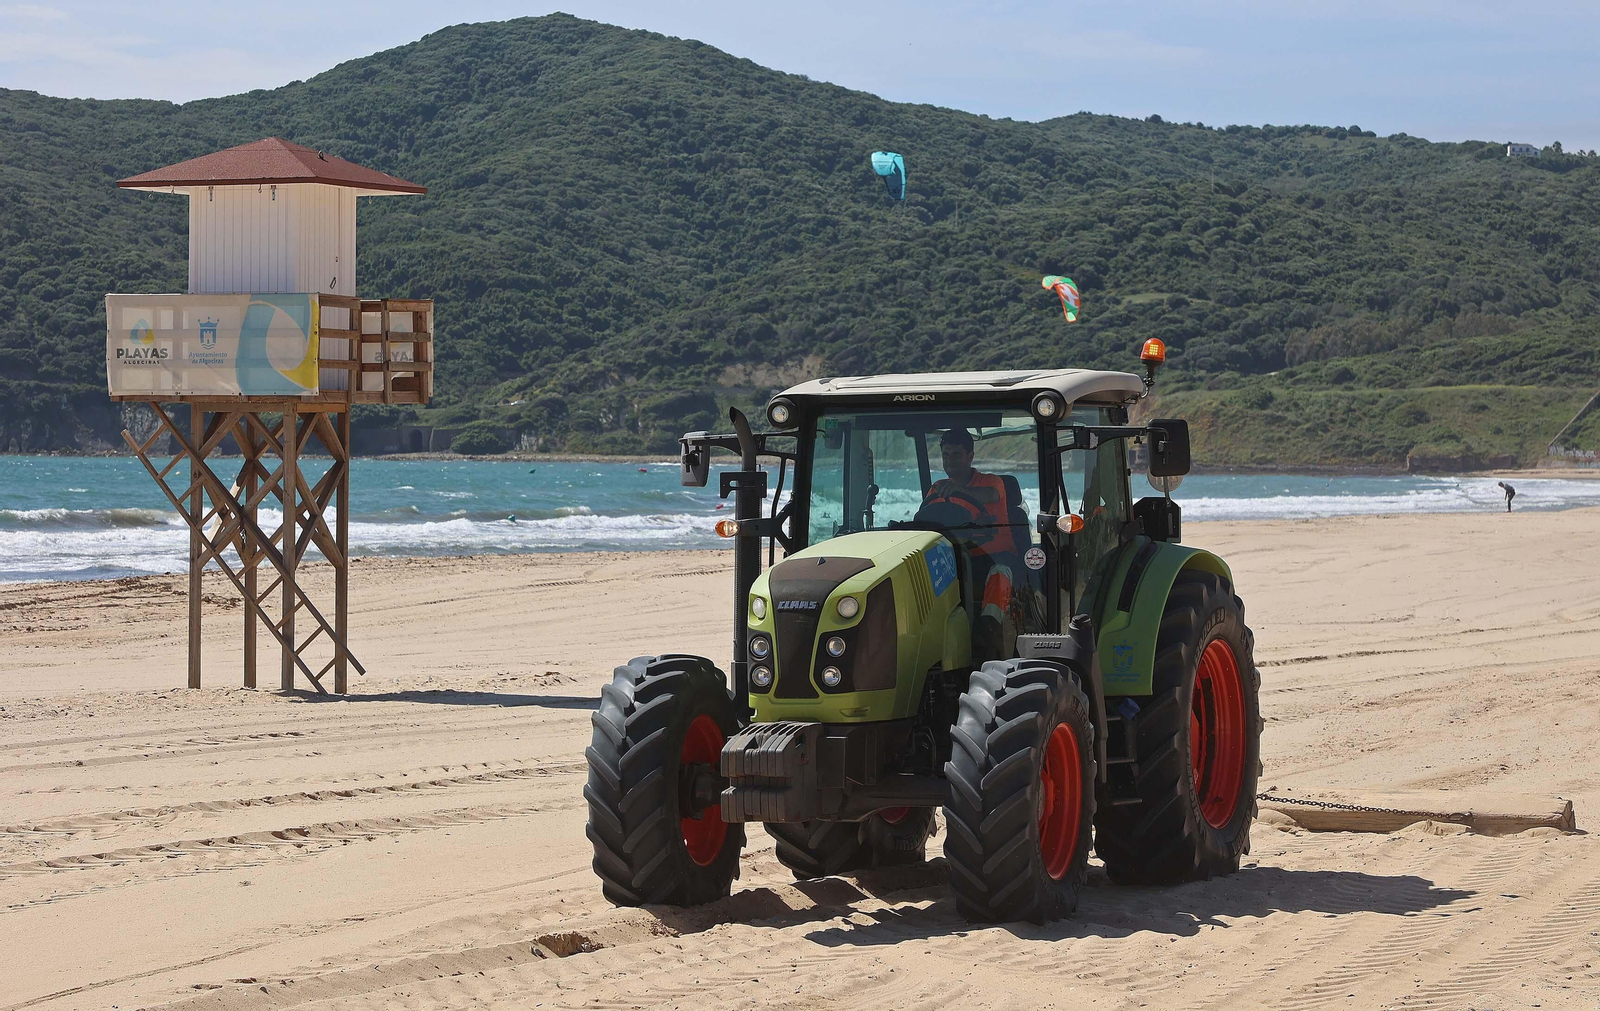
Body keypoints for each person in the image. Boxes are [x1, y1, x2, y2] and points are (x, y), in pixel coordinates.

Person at [923, 429, 1023, 655]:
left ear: (970, 456)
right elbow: (926, 520)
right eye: (946, 455)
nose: (950, 460)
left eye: (956, 455)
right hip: (955, 559)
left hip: (994, 557)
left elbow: (991, 495)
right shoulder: (936, 489)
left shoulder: (992, 482)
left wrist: (959, 491)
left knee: (1001, 571)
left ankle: (988, 628)